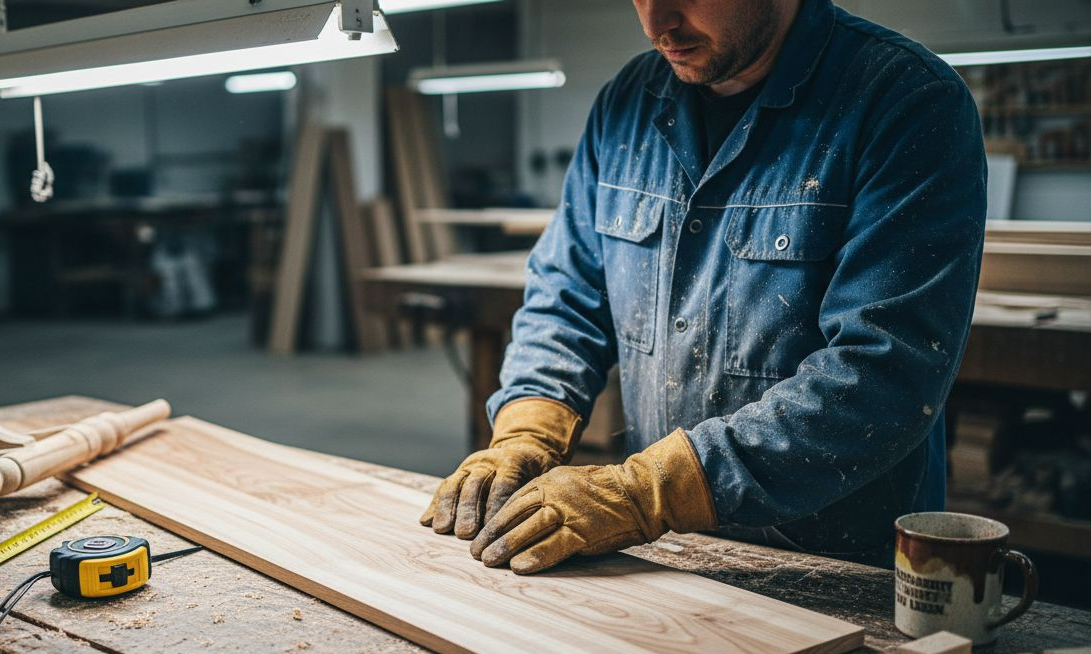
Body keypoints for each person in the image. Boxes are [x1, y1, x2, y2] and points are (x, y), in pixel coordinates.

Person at [420, 0, 987, 574]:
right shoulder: (628, 103)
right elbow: (566, 296)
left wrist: (649, 492)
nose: (656, 22)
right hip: (664, 553)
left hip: (832, 556)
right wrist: (527, 429)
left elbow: (884, 371)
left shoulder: (906, 100)